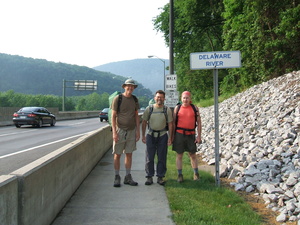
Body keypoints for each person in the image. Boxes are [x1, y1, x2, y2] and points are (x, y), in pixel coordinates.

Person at [111, 79, 140, 187]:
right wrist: (114, 132)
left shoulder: (135, 99)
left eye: (132, 86)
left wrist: (138, 131)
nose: (130, 88)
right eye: (128, 86)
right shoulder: (118, 99)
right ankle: (117, 176)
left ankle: (128, 177)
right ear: (124, 87)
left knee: (129, 154)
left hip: (131, 130)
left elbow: (136, 115)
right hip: (120, 130)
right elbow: (113, 116)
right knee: (117, 154)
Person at [142, 90, 173, 185]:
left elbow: (170, 124)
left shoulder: (166, 109)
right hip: (151, 135)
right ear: (155, 98)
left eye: (161, 97)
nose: (159, 98)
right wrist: (143, 135)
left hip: (163, 136)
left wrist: (170, 137)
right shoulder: (149, 109)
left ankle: (160, 177)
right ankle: (149, 177)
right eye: (158, 97)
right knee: (149, 157)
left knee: (162, 157)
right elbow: (144, 122)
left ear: (164, 99)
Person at [172, 91, 202, 183]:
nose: (185, 99)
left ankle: (196, 174)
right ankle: (180, 175)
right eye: (184, 98)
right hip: (179, 134)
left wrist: (199, 136)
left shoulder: (194, 108)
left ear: (190, 99)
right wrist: (172, 136)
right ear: (181, 99)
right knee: (179, 155)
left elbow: (199, 122)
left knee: (192, 155)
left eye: (187, 98)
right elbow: (173, 123)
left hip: (191, 134)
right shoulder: (177, 108)